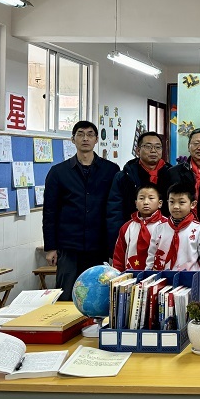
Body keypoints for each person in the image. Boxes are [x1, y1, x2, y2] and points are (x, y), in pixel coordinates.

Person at [43, 121, 120, 301]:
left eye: (90, 134)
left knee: (98, 296)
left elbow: (115, 209)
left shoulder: (111, 170)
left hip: (99, 244)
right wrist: (51, 247)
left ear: (96, 140)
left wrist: (115, 247)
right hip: (69, 245)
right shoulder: (58, 172)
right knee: (66, 294)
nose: (85, 138)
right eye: (80, 134)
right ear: (73, 139)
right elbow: (50, 212)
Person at [106, 131, 172, 248]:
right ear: (137, 150)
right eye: (148, 146)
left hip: (166, 237)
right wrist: (119, 241)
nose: (153, 151)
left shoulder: (172, 174)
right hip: (133, 237)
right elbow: (115, 212)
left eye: (158, 147)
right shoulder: (124, 176)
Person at [147, 183, 200, 283]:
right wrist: (148, 279)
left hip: (190, 282)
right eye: (172, 202)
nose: (176, 206)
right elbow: (151, 255)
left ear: (193, 204)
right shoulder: (159, 228)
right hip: (161, 281)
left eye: (181, 202)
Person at [111, 185, 165, 271]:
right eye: (141, 198)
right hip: (130, 275)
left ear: (160, 203)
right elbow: (119, 256)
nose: (146, 202)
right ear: (136, 203)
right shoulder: (127, 227)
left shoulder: (166, 225)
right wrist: (117, 274)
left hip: (159, 275)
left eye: (151, 198)